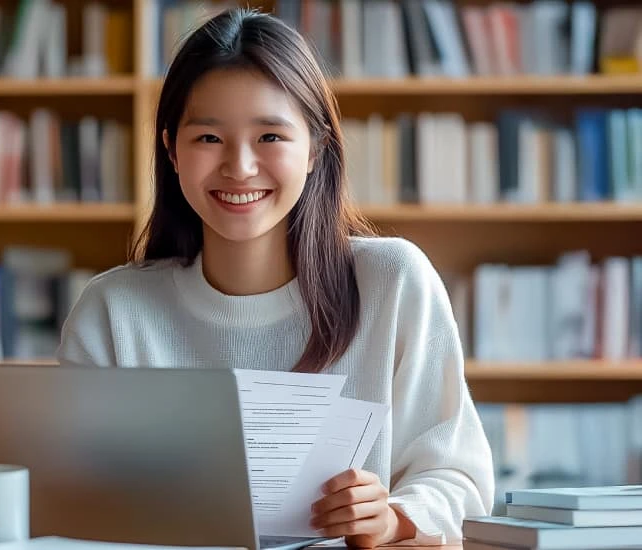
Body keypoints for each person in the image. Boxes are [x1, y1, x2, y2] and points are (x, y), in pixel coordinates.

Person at [57, 7, 494, 548]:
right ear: (171, 150)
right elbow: (72, 499)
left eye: (269, 136)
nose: (239, 167)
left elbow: (460, 479)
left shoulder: (393, 280)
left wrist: (390, 518)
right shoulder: (113, 310)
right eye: (209, 139)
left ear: (314, 148)